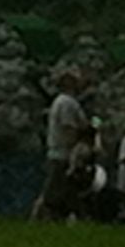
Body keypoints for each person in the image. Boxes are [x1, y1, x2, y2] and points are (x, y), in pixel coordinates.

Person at [32, 70, 93, 222]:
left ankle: (64, 218)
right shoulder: (67, 103)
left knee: (66, 191)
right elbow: (68, 128)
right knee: (52, 191)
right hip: (63, 154)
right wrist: (80, 140)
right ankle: (37, 217)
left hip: (62, 153)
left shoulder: (65, 101)